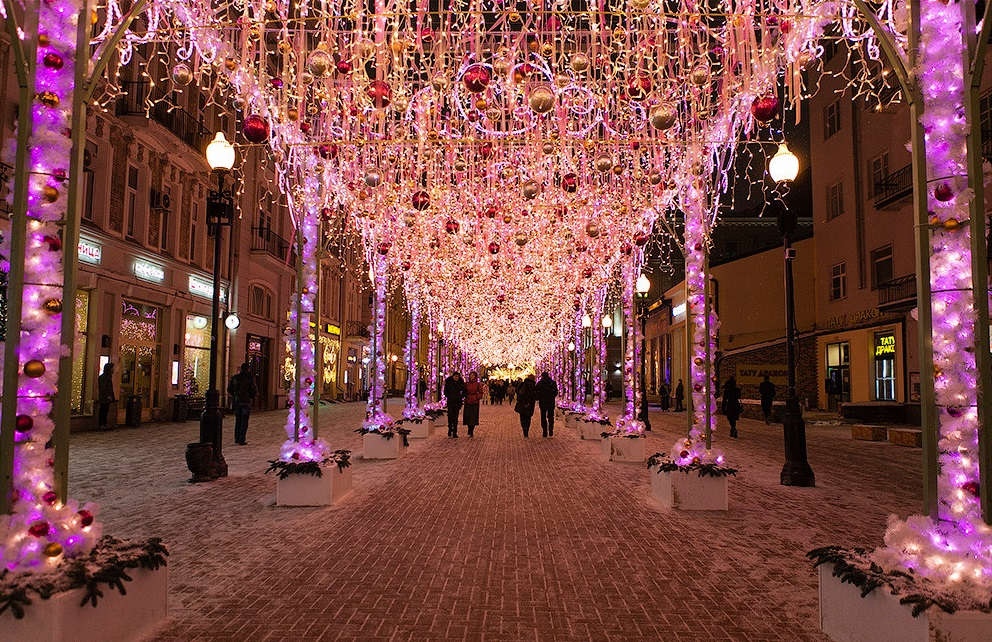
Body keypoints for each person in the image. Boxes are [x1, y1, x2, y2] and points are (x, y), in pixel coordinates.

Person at [228, 363, 258, 445]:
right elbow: (254, 391)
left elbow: (229, 389)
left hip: (237, 401)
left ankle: (237, 438)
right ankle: (241, 439)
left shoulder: (235, 378)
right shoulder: (250, 379)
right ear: (248, 369)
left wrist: (235, 395)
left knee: (238, 420)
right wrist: (250, 396)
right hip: (246, 402)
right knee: (244, 421)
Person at [534, 372, 559, 438]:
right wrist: (551, 396)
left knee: (543, 417)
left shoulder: (540, 383)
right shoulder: (552, 383)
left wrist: (539, 397)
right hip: (550, 402)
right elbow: (556, 392)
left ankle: (544, 431)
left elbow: (536, 391)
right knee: (551, 416)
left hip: (543, 402)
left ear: (542, 376)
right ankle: (551, 429)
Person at [443, 371, 467, 437]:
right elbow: (445, 391)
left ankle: (455, 431)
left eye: (457, 376)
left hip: (457, 402)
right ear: (453, 376)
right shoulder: (449, 382)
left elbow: (464, 391)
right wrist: (449, 396)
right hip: (450, 402)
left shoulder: (460, 383)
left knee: (455, 417)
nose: (456, 378)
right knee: (450, 416)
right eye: (455, 376)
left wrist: (461, 397)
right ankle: (450, 428)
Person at [463, 371, 483, 437]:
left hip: (474, 401)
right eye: (471, 375)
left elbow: (480, 392)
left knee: (473, 417)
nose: (471, 376)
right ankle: (469, 428)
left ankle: (471, 430)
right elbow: (464, 391)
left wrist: (477, 397)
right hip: (468, 401)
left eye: (473, 375)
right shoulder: (467, 384)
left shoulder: (477, 384)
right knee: (468, 416)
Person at [97, 362, 116, 430]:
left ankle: (104, 424)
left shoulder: (108, 377)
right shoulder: (103, 377)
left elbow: (110, 388)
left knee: (105, 410)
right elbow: (103, 388)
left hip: (107, 397)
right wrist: (108, 395)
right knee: (103, 410)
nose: (113, 370)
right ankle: (102, 424)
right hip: (104, 397)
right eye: (112, 369)